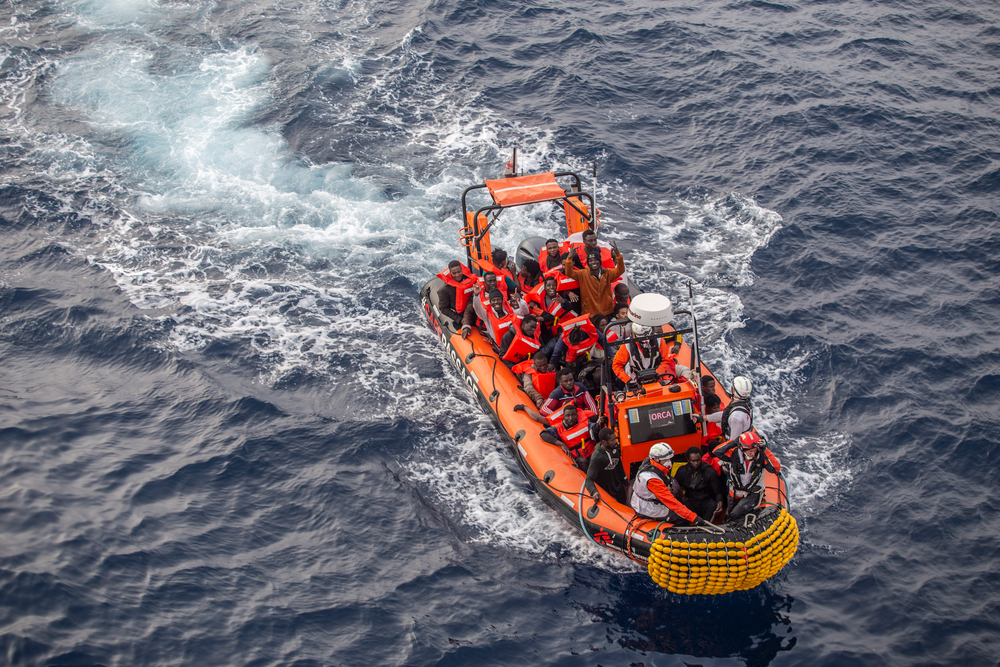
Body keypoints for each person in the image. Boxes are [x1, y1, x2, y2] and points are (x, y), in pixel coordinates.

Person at [630, 443, 708, 526]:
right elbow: (670, 501)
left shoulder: (650, 464)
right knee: (681, 519)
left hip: (644, 501)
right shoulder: (652, 479)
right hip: (646, 508)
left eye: (669, 459)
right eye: (666, 460)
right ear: (656, 459)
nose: (669, 462)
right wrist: (694, 518)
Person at [712, 430, 781, 522]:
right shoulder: (734, 454)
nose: (752, 453)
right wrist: (734, 442)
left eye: (754, 450)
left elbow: (775, 468)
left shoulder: (761, 457)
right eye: (750, 451)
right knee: (729, 515)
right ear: (742, 448)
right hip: (735, 492)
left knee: (735, 514)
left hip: (752, 493)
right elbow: (716, 452)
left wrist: (765, 450)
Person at [612, 326, 694, 386]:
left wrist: (658, 374)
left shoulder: (659, 340)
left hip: (657, 376)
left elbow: (665, 360)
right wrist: (628, 380)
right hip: (635, 380)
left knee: (686, 371)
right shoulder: (627, 345)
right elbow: (616, 365)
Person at [562, 241, 625, 317]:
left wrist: (618, 254)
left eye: (596, 260)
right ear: (588, 263)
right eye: (591, 261)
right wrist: (569, 257)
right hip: (590, 313)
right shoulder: (582, 274)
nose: (593, 262)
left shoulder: (608, 273)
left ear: (600, 261)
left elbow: (621, 270)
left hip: (607, 311)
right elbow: (569, 272)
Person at [533, 404, 601, 471]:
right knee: (583, 462)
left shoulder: (584, 421)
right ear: (564, 417)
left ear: (577, 415)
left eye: (573, 415)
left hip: (591, 452)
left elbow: (593, 427)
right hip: (577, 457)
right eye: (567, 416)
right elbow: (544, 434)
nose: (570, 418)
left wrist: (598, 425)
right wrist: (561, 444)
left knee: (597, 458)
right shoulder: (559, 428)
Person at [693, 375, 754, 441]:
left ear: (734, 390)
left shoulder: (735, 417)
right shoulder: (746, 406)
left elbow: (733, 442)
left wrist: (718, 451)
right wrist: (703, 418)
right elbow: (725, 414)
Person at [674, 446, 725, 521]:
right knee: (680, 508)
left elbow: (717, 492)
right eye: (693, 461)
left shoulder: (710, 472)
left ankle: (705, 527)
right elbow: (675, 487)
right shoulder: (682, 471)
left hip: (705, 501)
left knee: (713, 505)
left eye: (698, 460)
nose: (696, 463)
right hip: (689, 500)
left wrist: (720, 504)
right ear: (688, 460)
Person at [585, 427, 627, 504]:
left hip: (618, 487)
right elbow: (589, 479)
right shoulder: (597, 457)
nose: (615, 442)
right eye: (612, 440)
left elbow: (619, 465)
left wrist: (626, 482)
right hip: (606, 491)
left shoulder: (615, 448)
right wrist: (594, 492)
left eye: (615, 439)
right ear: (604, 442)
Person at [436, 260, 476, 329]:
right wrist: (459, 319)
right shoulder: (444, 290)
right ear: (450, 273)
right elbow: (443, 308)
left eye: (459, 272)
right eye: (454, 273)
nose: (457, 275)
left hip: (474, 309)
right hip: (461, 315)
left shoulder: (470, 280)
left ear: (461, 270)